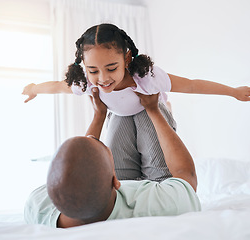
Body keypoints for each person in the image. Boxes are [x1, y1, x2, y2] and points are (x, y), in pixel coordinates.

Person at [22, 23, 250, 182]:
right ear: (84, 67)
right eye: (93, 70)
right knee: (118, 169)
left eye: (111, 68)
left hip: (151, 109)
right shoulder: (87, 82)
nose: (103, 78)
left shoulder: (146, 76)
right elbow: (57, 86)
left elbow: (190, 84)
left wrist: (233, 91)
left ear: (126, 58)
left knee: (156, 163)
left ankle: (159, 184)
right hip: (119, 116)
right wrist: (34, 88)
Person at [24, 88, 201, 228]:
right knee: (144, 111)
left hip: (112, 194)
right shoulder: (162, 205)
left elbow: (77, 169)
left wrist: (99, 115)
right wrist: (154, 110)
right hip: (158, 184)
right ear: (115, 181)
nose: (94, 138)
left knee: (122, 110)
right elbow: (185, 176)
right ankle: (163, 109)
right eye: (104, 148)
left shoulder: (37, 207)